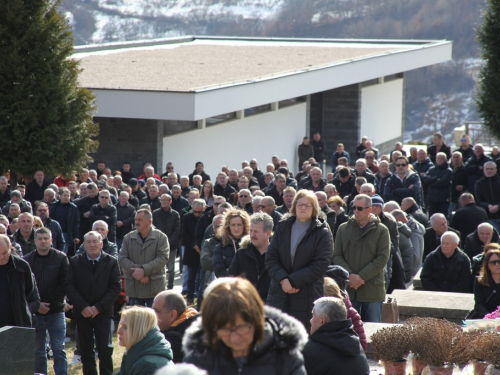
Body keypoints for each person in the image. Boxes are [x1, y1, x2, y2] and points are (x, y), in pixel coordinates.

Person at [183, 277, 308, 375]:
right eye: (225, 329)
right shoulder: (198, 358)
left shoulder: (285, 358)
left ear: (257, 320)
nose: (234, 338)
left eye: (241, 328)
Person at [266, 190, 333, 330]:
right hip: (279, 293)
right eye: (300, 204)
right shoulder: (282, 227)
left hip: (307, 294)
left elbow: (321, 264)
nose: (303, 208)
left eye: (307, 205)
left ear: (314, 208)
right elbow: (271, 257)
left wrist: (293, 281)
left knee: (302, 342)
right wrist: (283, 279)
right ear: (294, 206)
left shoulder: (322, 231)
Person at [65, 230, 121, 375]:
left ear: (101, 243)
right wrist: (83, 307)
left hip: (103, 312)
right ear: (83, 244)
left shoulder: (112, 262)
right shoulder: (75, 261)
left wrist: (98, 307)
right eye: (88, 242)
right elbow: (70, 286)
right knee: (86, 349)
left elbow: (115, 288)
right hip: (82, 313)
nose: (92, 245)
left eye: (95, 241)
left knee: (105, 348)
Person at [333, 194, 390, 323]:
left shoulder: (381, 230)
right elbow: (337, 255)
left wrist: (361, 277)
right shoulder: (343, 228)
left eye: (359, 208)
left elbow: (382, 258)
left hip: (372, 290)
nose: (355, 211)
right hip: (349, 289)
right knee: (350, 329)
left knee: (374, 330)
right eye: (353, 207)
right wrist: (350, 275)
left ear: (369, 209)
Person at [24, 227, 68, 375]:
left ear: (51, 240)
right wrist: (38, 305)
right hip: (36, 313)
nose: (43, 242)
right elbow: (25, 287)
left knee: (58, 348)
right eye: (40, 239)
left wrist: (48, 304)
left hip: (56, 311)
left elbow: (65, 284)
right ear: (35, 241)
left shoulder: (61, 258)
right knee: (38, 350)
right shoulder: (27, 260)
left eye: (46, 238)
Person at [302, 297, 370, 375]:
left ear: (322, 320)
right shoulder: (356, 345)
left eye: (313, 316)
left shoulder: (309, 350)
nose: (311, 320)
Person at [119, 209, 169, 307]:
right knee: (137, 321)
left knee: (154, 320)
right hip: (134, 288)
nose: (136, 222)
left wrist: (144, 270)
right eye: (135, 219)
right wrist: (138, 273)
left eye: (140, 220)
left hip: (154, 287)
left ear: (149, 221)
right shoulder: (128, 238)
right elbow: (122, 258)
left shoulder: (161, 237)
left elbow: (163, 258)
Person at [116, 306, 173, 375]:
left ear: (139, 330)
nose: (118, 331)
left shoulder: (147, 366)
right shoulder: (137, 353)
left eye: (125, 327)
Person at [229, 212, 272, 301]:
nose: (252, 235)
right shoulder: (241, 253)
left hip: (270, 307)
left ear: (268, 233)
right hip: (245, 305)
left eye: (256, 232)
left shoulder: (278, 255)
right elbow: (232, 279)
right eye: (251, 231)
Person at [0, 233, 40, 328]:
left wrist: (24, 309)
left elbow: (29, 291)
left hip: (18, 322)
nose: (1, 257)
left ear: (10, 248)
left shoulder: (22, 266)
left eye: (4, 253)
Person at [152, 291, 199, 363]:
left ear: (172, 315)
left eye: (156, 311)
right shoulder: (198, 325)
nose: (152, 316)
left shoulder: (172, 342)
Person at [153, 194, 180, 290]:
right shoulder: (155, 213)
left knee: (171, 268)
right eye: (162, 200)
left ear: (170, 201)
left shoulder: (175, 214)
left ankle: (170, 287)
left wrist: (168, 243)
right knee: (158, 267)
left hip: (171, 246)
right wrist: (159, 242)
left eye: (166, 200)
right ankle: (160, 286)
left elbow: (177, 231)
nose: (163, 202)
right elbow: (153, 228)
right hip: (157, 245)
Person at [213, 208, 251, 278]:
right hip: (229, 285)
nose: (236, 228)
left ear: (244, 226)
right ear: (228, 227)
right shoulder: (220, 247)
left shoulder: (252, 245)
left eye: (239, 225)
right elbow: (219, 271)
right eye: (233, 225)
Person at [472, 246, 500, 319]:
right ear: (487, 266)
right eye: (493, 263)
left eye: (499, 261)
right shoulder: (479, 281)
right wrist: (488, 316)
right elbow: (479, 304)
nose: (497, 264)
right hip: (485, 319)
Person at [422, 152, 452, 217]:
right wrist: (435, 178)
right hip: (432, 199)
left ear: (445, 160)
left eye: (442, 158)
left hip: (443, 200)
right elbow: (425, 178)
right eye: (438, 158)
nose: (440, 160)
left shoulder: (448, 170)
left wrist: (431, 183)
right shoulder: (431, 169)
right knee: (431, 217)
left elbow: (443, 182)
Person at [475, 161, 500, 232]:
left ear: (496, 170)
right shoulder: (479, 183)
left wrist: (498, 206)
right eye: (487, 169)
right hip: (489, 216)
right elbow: (479, 201)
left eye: (491, 169)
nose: (489, 171)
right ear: (483, 170)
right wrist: (488, 206)